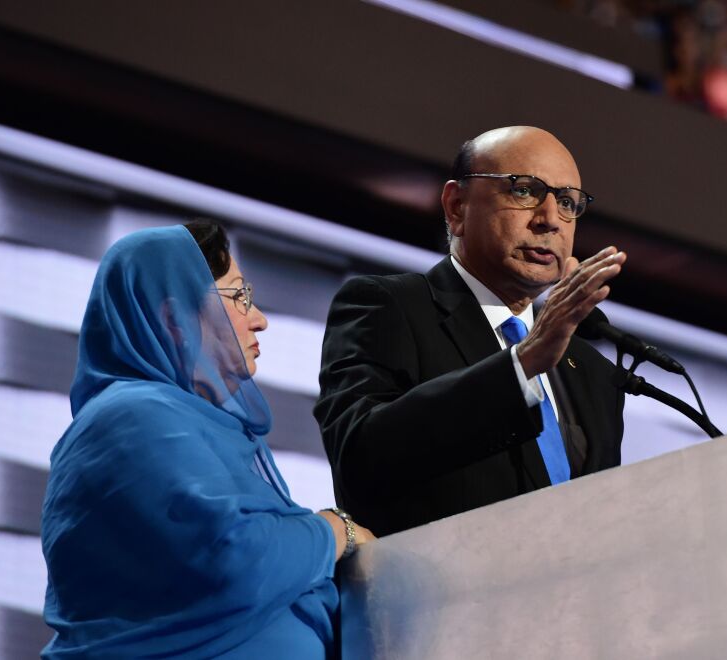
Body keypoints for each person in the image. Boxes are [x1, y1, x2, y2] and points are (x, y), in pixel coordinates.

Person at [41, 221, 373, 659]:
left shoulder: (168, 419)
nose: (260, 319)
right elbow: (233, 558)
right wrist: (336, 529)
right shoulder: (135, 417)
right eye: (239, 296)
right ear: (174, 319)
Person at [315, 126, 627, 537]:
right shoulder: (388, 307)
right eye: (524, 191)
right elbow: (359, 459)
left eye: (567, 202)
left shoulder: (593, 372)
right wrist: (521, 363)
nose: (550, 219)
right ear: (457, 206)